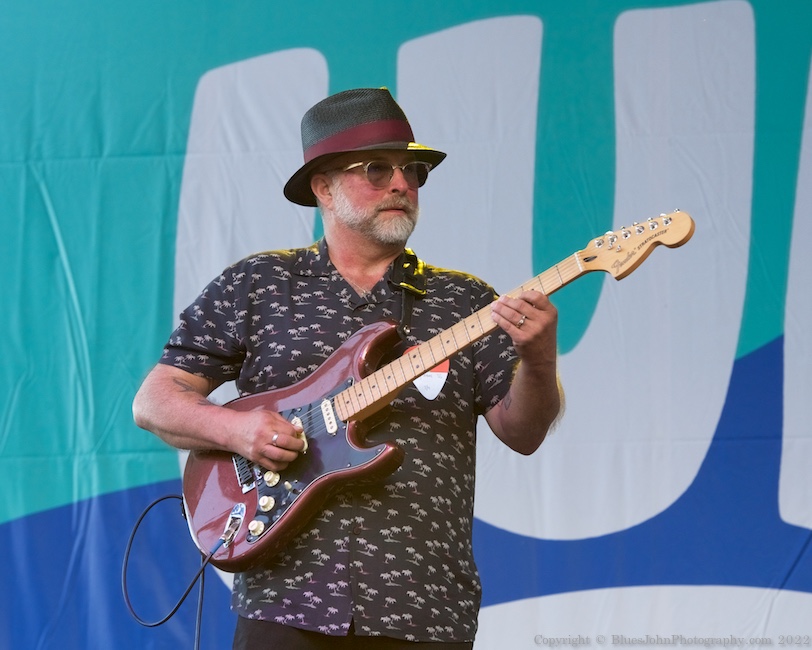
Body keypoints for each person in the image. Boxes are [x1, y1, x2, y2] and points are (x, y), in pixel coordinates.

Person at [132, 87, 562, 649]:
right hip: (285, 601)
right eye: (377, 169)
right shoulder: (258, 284)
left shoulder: (466, 302)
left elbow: (523, 432)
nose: (402, 184)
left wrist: (538, 357)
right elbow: (156, 401)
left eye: (412, 171)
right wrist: (238, 429)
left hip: (424, 604)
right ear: (322, 186)